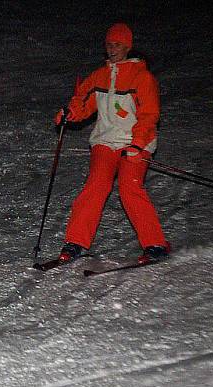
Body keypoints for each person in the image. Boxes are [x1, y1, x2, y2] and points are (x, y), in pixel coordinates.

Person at [54, 22, 170, 265]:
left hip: (134, 143)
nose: (112, 48)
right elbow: (82, 104)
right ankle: (75, 242)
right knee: (96, 185)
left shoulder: (142, 78)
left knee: (130, 188)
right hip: (105, 141)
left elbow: (149, 115)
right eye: (109, 44)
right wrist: (69, 113)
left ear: (127, 46)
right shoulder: (99, 76)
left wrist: (138, 144)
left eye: (117, 44)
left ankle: (155, 244)